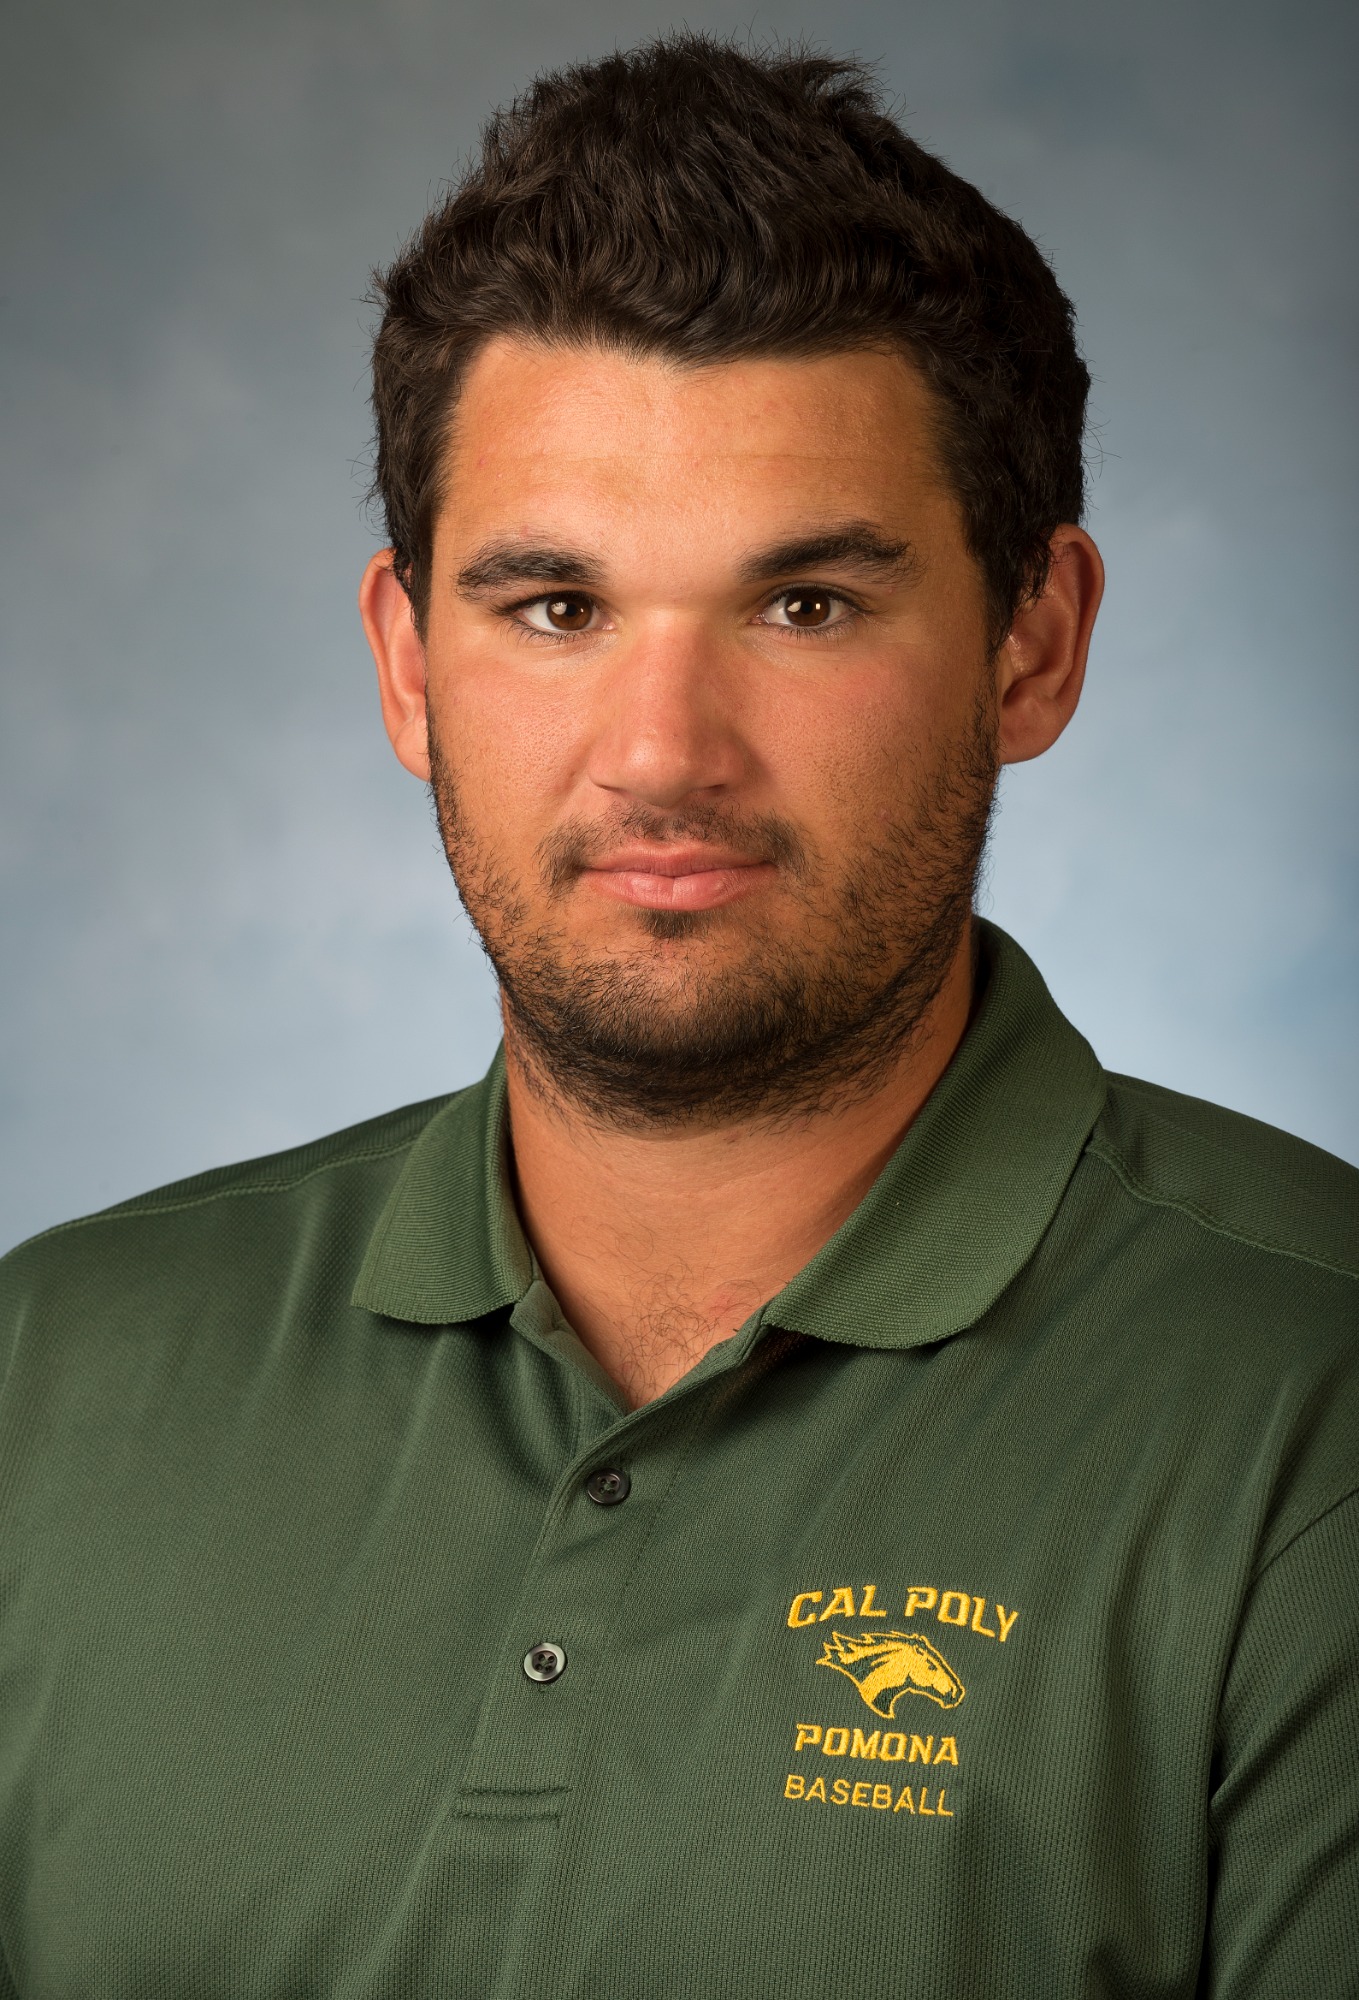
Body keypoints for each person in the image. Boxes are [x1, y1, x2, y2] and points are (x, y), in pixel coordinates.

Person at [0, 34, 1354, 1999]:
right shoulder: (50, 1382)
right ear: (407, 664)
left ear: (1030, 644)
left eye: (801, 605)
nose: (661, 751)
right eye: (552, 606)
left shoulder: (1308, 1409)